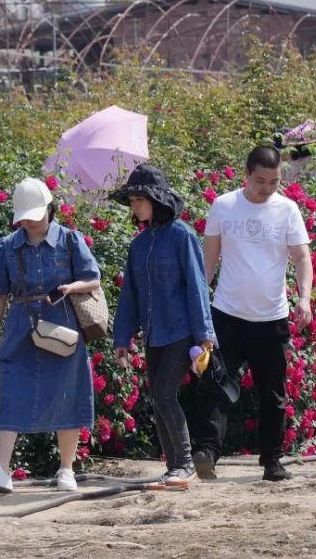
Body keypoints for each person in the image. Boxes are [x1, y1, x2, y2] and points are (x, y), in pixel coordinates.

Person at [0, 178, 101, 494]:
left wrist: (71, 287)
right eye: (24, 216)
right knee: (12, 391)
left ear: (49, 209)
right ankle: (1, 470)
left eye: (34, 214)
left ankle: (66, 469)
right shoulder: (6, 246)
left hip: (62, 322)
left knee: (67, 391)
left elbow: (93, 279)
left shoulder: (70, 240)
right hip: (21, 325)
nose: (28, 221)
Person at [194, 145, 314, 482]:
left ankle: (272, 460)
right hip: (227, 313)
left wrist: (304, 298)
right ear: (246, 175)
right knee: (216, 384)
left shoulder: (288, 210)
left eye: (274, 181)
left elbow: (302, 258)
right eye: (260, 181)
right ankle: (207, 453)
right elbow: (209, 259)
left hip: (271, 317)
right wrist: (199, 303)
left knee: (273, 394)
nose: (266, 188)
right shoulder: (224, 205)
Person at [110, 164, 217, 490]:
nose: (134, 206)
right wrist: (122, 337)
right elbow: (130, 295)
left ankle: (184, 463)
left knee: (164, 394)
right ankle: (174, 468)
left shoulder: (182, 236)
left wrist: (204, 335)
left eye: (138, 199)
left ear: (156, 200)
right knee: (158, 399)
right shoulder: (138, 245)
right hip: (154, 333)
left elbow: (197, 287)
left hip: (182, 333)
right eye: (131, 201)